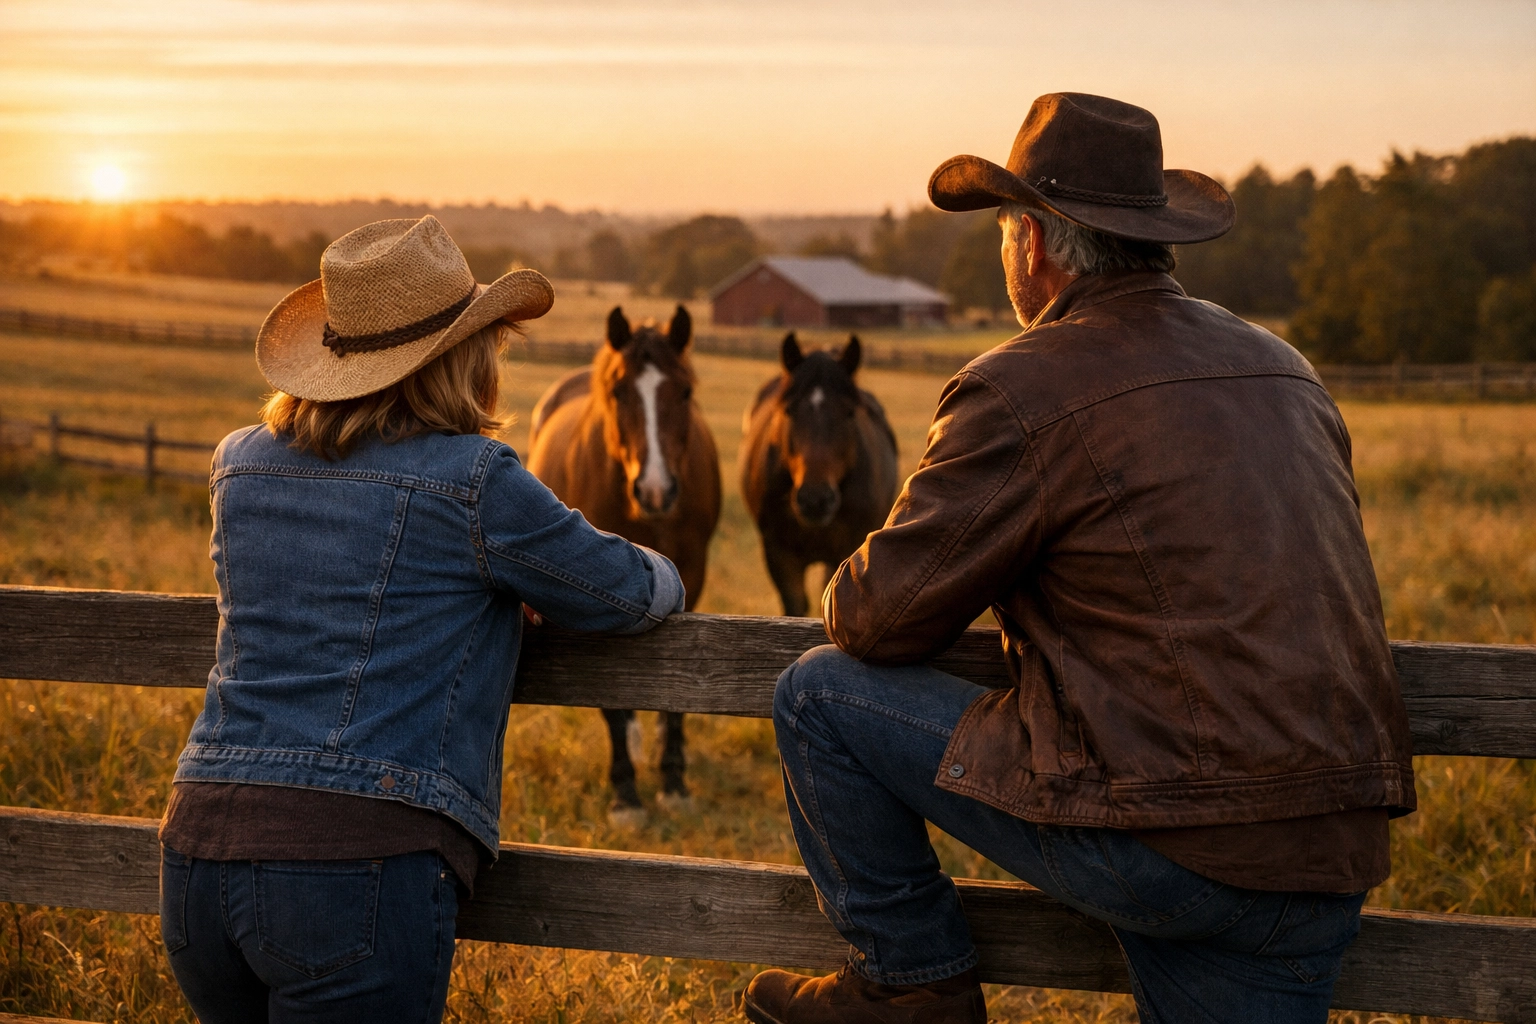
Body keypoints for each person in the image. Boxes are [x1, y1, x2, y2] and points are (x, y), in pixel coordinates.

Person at [743, 94, 1416, 1024]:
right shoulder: (1286, 369)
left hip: (1173, 838)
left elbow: (874, 616)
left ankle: (911, 982)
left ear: (1034, 241)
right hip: (1330, 850)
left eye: (1007, 227)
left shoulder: (1024, 382)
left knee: (817, 693)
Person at [158, 215, 686, 1023]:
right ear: (464, 356)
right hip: (355, 862)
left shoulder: (240, 464)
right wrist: (658, 570)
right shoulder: (473, 480)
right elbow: (629, 593)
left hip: (197, 851)